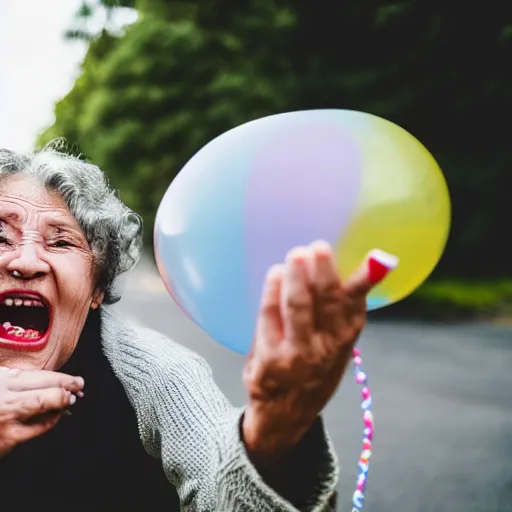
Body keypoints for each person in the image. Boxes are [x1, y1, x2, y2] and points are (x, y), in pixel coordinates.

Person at [0, 143, 397, 511]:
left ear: (96, 289)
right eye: (1, 237)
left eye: (61, 242)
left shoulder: (161, 375)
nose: (27, 261)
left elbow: (217, 485)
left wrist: (276, 428)